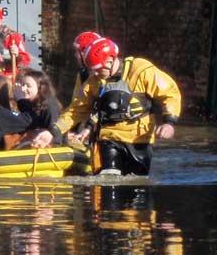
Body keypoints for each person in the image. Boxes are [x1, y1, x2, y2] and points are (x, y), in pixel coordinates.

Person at [57, 37, 181, 176]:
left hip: (139, 139)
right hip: (108, 137)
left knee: (137, 189)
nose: (94, 74)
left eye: (98, 70)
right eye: (92, 70)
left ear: (110, 61)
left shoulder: (141, 70)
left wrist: (169, 122)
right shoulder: (94, 81)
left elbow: (170, 93)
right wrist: (55, 130)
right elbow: (76, 110)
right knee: (109, 181)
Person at [14, 68, 61, 147]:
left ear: (40, 87)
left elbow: (56, 135)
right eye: (22, 84)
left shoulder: (49, 106)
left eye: (28, 86)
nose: (23, 88)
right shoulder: (31, 102)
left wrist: (21, 101)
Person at [71, 30, 103, 103]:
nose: (75, 55)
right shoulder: (83, 74)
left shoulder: (104, 76)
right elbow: (76, 102)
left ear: (86, 52)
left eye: (77, 52)